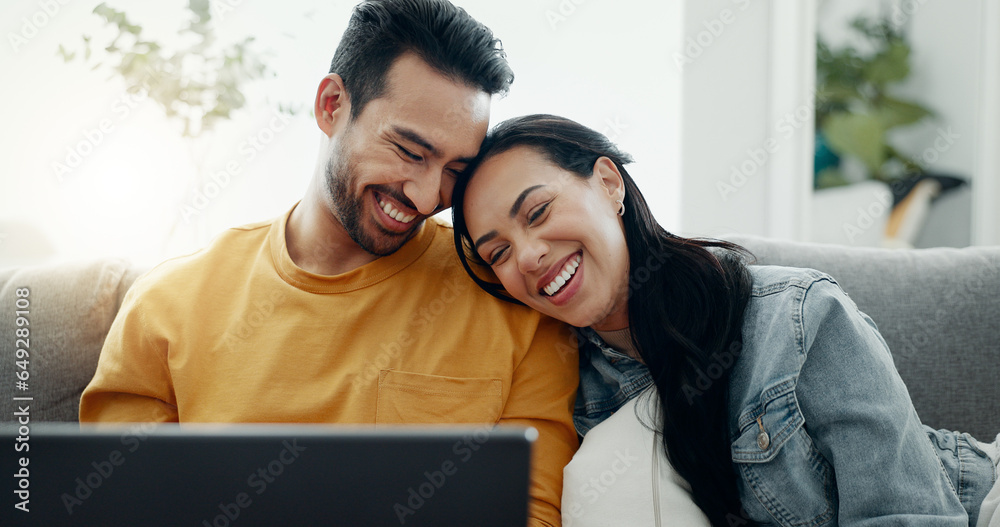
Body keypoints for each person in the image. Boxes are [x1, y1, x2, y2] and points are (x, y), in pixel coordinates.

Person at [80, 4, 579, 525]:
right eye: (410, 151)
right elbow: (117, 507)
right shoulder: (166, 308)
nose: (429, 195)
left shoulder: (514, 299)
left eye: (456, 168)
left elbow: (531, 515)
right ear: (331, 105)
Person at [453, 114, 1000, 526]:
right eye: (497, 252)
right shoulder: (571, 387)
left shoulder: (794, 315)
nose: (526, 257)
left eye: (538, 212)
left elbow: (903, 516)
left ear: (608, 183)